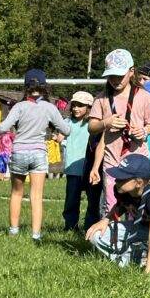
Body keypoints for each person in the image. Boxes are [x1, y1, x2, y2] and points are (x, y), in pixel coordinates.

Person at [0, 69, 71, 242]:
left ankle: (13, 231)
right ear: (44, 87)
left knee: (16, 193)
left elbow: (3, 127)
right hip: (39, 153)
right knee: (36, 196)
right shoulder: (50, 107)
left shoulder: (19, 106)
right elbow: (66, 130)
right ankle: (36, 234)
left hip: (19, 152)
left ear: (26, 86)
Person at [86, 154, 150, 272]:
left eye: (122, 178)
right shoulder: (121, 190)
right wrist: (105, 220)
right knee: (96, 235)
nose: (116, 180)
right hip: (144, 227)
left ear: (138, 183)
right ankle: (139, 258)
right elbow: (120, 207)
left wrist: (148, 274)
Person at [88, 49, 150, 213]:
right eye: (111, 76)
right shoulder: (102, 98)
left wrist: (144, 131)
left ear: (131, 72)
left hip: (137, 162)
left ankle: (134, 229)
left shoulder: (144, 96)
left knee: (137, 205)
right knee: (111, 204)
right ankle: (113, 229)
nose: (115, 80)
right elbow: (92, 127)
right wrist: (106, 122)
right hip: (112, 160)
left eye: (120, 75)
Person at [61, 91, 100, 232]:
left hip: (89, 168)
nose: (76, 108)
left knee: (93, 200)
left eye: (80, 105)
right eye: (74, 105)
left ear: (89, 107)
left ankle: (91, 226)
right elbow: (60, 134)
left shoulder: (93, 124)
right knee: (71, 199)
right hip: (73, 168)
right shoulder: (67, 122)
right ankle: (70, 226)